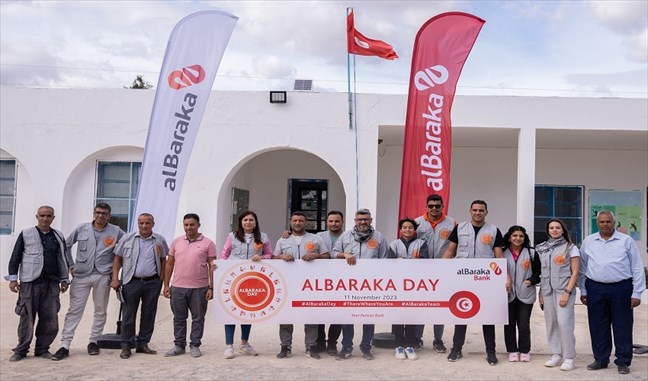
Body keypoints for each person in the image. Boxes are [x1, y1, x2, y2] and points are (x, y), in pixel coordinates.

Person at [50, 203, 124, 361]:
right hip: (82, 275)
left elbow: (128, 247)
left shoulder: (116, 231)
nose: (101, 216)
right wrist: (70, 265)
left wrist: (116, 270)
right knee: (74, 310)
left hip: (103, 275)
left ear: (109, 215)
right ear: (93, 213)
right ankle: (65, 345)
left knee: (100, 310)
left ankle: (93, 341)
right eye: (98, 212)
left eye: (104, 213)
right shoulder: (81, 228)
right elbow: (66, 245)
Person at [579, 210, 646, 375]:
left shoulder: (626, 241)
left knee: (622, 325)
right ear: (597, 223)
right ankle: (601, 359)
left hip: (621, 288)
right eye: (602, 222)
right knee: (597, 325)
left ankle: (623, 361)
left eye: (608, 221)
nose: (605, 224)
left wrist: (637, 293)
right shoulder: (589, 241)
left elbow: (637, 267)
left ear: (614, 222)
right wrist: (584, 289)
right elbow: (582, 267)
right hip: (595, 288)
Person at [442, 200, 506, 365]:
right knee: (461, 313)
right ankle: (456, 349)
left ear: (486, 212)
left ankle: (491, 352)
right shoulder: (460, 228)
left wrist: (505, 278)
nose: (478, 213)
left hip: (485, 280)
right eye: (475, 210)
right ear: (470, 211)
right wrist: (440, 272)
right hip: (462, 278)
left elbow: (499, 257)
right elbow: (450, 251)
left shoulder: (493, 230)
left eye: (481, 210)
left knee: (488, 316)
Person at [6, 206, 70, 362]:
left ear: (53, 218)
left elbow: (62, 258)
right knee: (26, 317)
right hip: (30, 282)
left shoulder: (58, 236)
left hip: (51, 283)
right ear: (37, 216)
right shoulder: (26, 234)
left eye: (48, 216)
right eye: (42, 215)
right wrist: (13, 279)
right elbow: (15, 257)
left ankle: (42, 349)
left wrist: (64, 279)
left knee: (50, 318)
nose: (45, 218)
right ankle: (21, 350)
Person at [332, 208, 389, 360]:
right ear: (355, 221)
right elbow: (334, 252)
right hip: (348, 284)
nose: (363, 222)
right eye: (360, 219)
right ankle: (346, 347)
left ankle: (366, 347)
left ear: (371, 220)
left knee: (368, 317)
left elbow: (384, 259)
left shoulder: (379, 237)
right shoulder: (345, 236)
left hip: (370, 285)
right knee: (347, 317)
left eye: (366, 219)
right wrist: (344, 254)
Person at [110, 213, 169, 359]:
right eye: (141, 223)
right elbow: (117, 258)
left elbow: (164, 260)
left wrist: (161, 281)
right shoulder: (127, 238)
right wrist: (115, 278)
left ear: (153, 224)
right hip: (131, 281)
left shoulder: (159, 240)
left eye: (147, 223)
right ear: (138, 224)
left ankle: (143, 343)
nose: (144, 226)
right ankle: (126, 346)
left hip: (152, 281)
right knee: (128, 315)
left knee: (149, 314)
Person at [273, 211, 330, 359]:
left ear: (306, 223)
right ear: (291, 222)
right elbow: (273, 257)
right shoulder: (283, 240)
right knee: (285, 316)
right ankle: (285, 346)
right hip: (287, 284)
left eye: (301, 221)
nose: (298, 223)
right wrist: (281, 256)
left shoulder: (315, 238)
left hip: (310, 284)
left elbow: (327, 256)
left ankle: (311, 346)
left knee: (311, 315)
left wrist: (316, 255)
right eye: (295, 220)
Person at [163, 213, 217, 358]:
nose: (189, 227)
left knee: (198, 318)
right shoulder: (176, 242)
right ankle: (179, 345)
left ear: (198, 225)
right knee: (179, 318)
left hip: (200, 288)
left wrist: (211, 287)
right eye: (186, 225)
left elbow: (212, 266)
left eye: (192, 224)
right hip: (178, 287)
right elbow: (169, 263)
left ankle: (195, 345)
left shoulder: (208, 243)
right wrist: (166, 285)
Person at [219, 210, 272, 359]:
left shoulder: (263, 237)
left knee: (247, 311)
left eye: (251, 220)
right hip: (234, 277)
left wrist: (261, 257)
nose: (248, 222)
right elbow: (224, 254)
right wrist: (220, 268)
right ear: (241, 223)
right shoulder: (232, 236)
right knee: (231, 312)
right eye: (245, 220)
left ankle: (244, 343)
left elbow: (269, 254)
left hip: (252, 278)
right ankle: (229, 346)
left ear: (255, 223)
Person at [535, 218, 580, 371]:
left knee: (564, 323)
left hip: (563, 290)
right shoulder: (542, 248)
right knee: (551, 323)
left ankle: (569, 357)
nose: (554, 230)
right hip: (547, 291)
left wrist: (567, 293)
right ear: (548, 230)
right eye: (552, 228)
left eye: (558, 227)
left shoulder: (570, 247)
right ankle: (556, 353)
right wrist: (540, 294)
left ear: (563, 230)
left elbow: (575, 273)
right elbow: (543, 272)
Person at [414, 194, 456, 352]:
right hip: (421, 273)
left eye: (437, 206)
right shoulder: (417, 222)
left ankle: (438, 339)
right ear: (426, 206)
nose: (434, 208)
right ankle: (417, 338)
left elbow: (455, 246)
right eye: (431, 206)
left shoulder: (452, 223)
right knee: (420, 305)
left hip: (443, 272)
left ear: (442, 206)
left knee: (440, 306)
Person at [388, 218, 428, 360]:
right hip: (397, 285)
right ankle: (398, 345)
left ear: (414, 230)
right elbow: (389, 264)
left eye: (410, 227)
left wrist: (406, 262)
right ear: (400, 230)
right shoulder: (394, 244)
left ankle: (410, 345)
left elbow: (425, 262)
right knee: (398, 315)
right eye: (404, 227)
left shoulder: (421, 244)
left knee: (411, 314)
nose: (407, 230)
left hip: (415, 285)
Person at [502, 225, 540, 363]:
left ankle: (524, 350)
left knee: (523, 324)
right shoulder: (502, 252)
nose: (518, 238)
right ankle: (512, 350)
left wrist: (531, 281)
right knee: (509, 323)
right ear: (509, 237)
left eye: (521, 236)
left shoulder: (531, 252)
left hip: (526, 293)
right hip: (508, 293)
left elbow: (538, 272)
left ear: (524, 238)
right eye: (515, 236)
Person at [315, 210, 344, 356]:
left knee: (338, 313)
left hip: (342, 281)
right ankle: (320, 341)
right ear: (327, 222)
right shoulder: (318, 237)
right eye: (331, 221)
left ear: (342, 222)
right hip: (321, 280)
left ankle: (332, 343)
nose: (334, 224)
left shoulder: (349, 237)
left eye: (337, 221)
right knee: (319, 311)